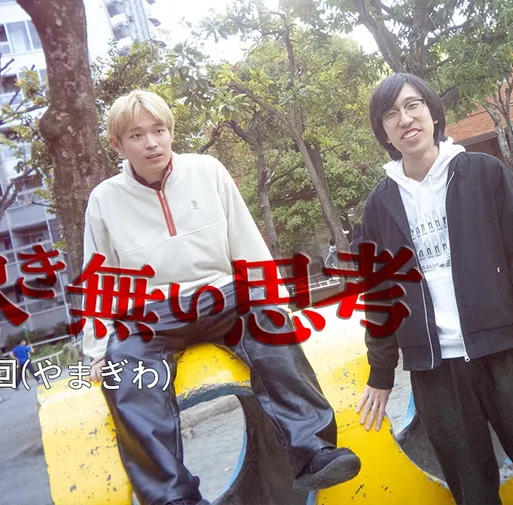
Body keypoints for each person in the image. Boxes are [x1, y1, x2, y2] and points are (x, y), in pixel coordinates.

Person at [82, 89, 360, 505]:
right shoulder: (105, 199)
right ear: (117, 144)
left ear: (170, 131)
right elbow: (100, 276)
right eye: (137, 135)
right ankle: (172, 497)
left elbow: (244, 238)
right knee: (127, 369)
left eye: (159, 130)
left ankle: (313, 452)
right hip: (152, 312)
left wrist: (274, 299)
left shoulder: (206, 171)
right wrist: (97, 349)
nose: (152, 143)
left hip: (222, 296)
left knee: (268, 323)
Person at [353, 73, 513, 505]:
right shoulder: (379, 205)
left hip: (506, 354)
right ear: (383, 131)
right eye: (391, 114)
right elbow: (379, 293)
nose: (405, 119)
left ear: (432, 112)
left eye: (413, 105)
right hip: (435, 370)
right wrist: (381, 372)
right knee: (472, 492)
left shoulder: (484, 173)